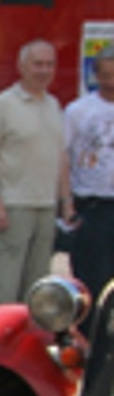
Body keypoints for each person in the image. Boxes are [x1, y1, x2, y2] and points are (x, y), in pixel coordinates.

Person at [0, 40, 71, 307]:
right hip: (13, 206)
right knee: (2, 285)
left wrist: (66, 200)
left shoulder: (53, 105)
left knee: (37, 288)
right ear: (21, 67)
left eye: (50, 65)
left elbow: (60, 155)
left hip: (45, 207)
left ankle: (28, 344)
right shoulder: (2, 104)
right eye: (38, 64)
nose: (44, 70)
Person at [64, 47, 114, 300]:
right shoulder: (78, 111)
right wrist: (66, 202)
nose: (111, 80)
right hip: (91, 206)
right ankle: (88, 337)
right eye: (106, 73)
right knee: (90, 281)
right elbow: (63, 156)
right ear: (96, 75)